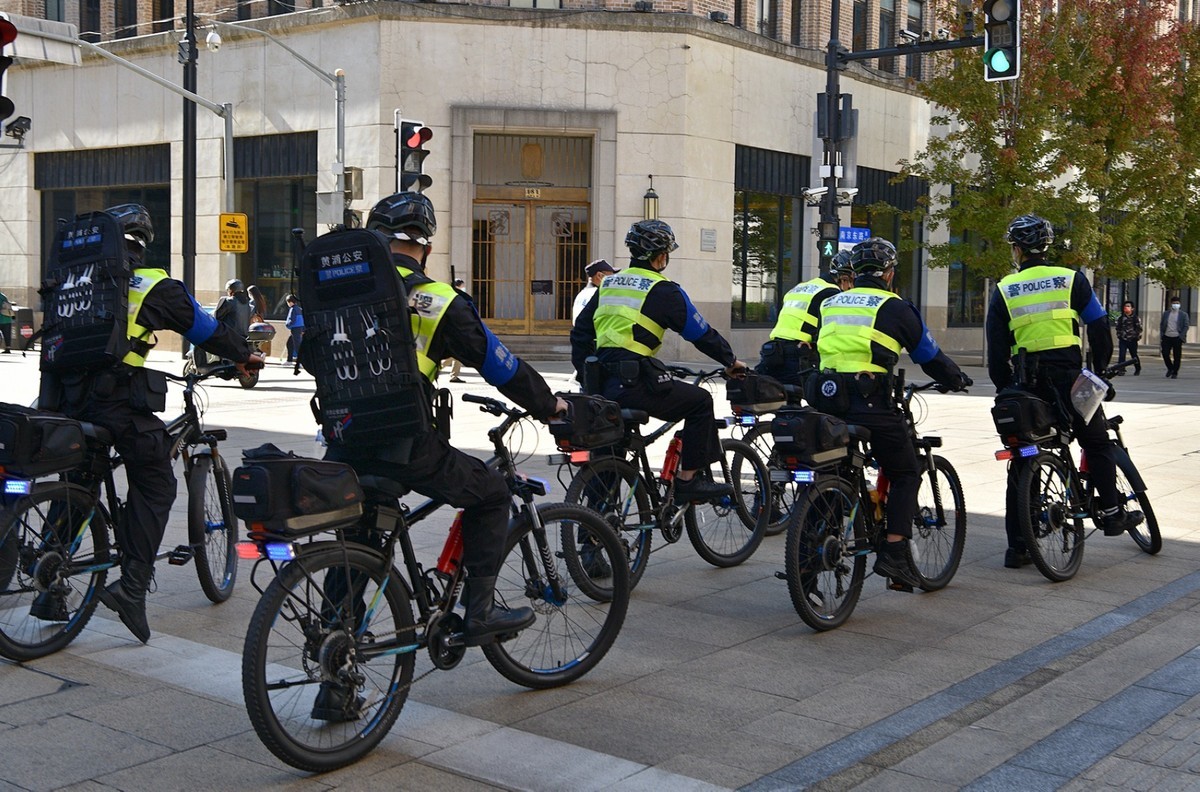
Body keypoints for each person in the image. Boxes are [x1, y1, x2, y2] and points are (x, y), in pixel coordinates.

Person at [340, 191, 566, 651]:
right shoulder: (438, 300)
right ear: (424, 247)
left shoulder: (343, 292)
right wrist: (550, 406)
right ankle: (479, 613)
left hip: (343, 438)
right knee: (493, 492)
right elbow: (500, 366)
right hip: (404, 443)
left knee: (357, 544)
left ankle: (335, 644)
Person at [44, 204, 262, 642]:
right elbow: (204, 328)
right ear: (140, 246)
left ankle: (48, 582)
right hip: (115, 404)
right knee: (157, 481)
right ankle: (132, 588)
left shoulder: (67, 282)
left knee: (79, 482)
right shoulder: (150, 284)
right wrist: (243, 354)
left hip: (65, 403)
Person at [986, 214, 1143, 570]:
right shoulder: (1071, 279)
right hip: (1071, 381)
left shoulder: (1005, 289)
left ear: (1016, 250)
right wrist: (1098, 370)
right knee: (1096, 442)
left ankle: (1019, 548)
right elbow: (1099, 327)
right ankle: (1112, 512)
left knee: (1025, 454)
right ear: (1046, 246)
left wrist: (1005, 388)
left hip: (1028, 385)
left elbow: (997, 352)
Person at [813, 237, 970, 590]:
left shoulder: (829, 303)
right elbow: (928, 355)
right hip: (870, 404)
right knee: (905, 472)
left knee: (832, 469)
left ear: (854, 272)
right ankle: (895, 553)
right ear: (888, 273)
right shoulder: (895, 307)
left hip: (826, 402)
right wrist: (955, 378)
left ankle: (810, 552)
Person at [571, 219, 748, 503]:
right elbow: (700, 333)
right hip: (633, 383)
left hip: (601, 386)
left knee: (609, 448)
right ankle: (689, 481)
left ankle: (595, 522)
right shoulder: (664, 290)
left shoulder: (608, 285)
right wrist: (730, 361)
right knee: (701, 402)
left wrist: (586, 376)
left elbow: (580, 334)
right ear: (661, 256)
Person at [756, 250, 851, 387]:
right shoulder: (832, 293)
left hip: (773, 351)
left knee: (778, 394)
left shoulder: (801, 287)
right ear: (843, 278)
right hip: (800, 353)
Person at [440, 278, 473, 382]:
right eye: (462, 286)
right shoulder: (456, 297)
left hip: (456, 331)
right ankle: (437, 367)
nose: (464, 288)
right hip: (454, 331)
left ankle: (453, 375)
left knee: (457, 355)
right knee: (455, 355)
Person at [572, 259, 616, 324]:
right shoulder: (598, 294)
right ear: (599, 275)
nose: (613, 280)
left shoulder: (582, 293)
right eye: (611, 277)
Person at [1160, 295, 1189, 379]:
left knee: (1177, 356)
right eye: (1174, 303)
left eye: (1177, 303)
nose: (1175, 305)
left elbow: (1186, 326)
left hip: (1177, 337)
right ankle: (1170, 368)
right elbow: (1162, 324)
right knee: (1165, 353)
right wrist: (1162, 334)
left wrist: (1181, 336)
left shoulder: (1183, 315)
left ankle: (1175, 372)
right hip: (1167, 336)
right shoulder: (1166, 314)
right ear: (1171, 304)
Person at [1114, 300, 1142, 376]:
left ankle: (1138, 368)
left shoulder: (1135, 318)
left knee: (1134, 355)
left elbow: (1139, 329)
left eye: (1128, 306)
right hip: (1123, 339)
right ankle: (1121, 369)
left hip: (1132, 340)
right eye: (1125, 306)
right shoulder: (1121, 318)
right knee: (1122, 355)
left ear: (1132, 308)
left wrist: (1135, 336)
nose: (1126, 308)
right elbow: (1118, 328)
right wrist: (1119, 335)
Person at [284, 294, 304, 363]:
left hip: (295, 329)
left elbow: (292, 320)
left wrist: (288, 325)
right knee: (290, 344)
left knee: (296, 345)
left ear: (290, 302)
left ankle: (300, 361)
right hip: (299, 329)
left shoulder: (292, 309)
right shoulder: (299, 309)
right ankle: (289, 360)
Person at [0, 288, 13, 353]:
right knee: (7, 334)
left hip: (1, 318)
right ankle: (8, 348)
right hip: (7, 318)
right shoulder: (3, 296)